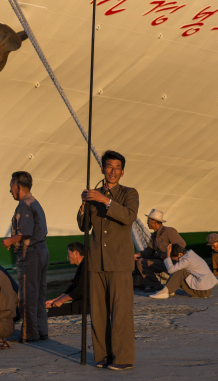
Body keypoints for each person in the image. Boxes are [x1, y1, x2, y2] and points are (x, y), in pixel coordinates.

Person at [77, 149, 139, 371]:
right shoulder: (93, 195)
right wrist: (84, 205)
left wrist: (105, 200)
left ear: (122, 172)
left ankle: (123, 357)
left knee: (121, 311)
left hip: (119, 263)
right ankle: (102, 355)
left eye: (117, 167)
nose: (113, 171)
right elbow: (84, 226)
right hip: (96, 261)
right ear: (102, 168)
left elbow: (128, 217)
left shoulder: (129, 193)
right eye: (109, 166)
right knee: (99, 313)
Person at [2, 171, 49, 343]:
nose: (10, 190)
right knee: (39, 294)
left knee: (27, 296)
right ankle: (41, 330)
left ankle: (30, 334)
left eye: (11, 186)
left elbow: (26, 232)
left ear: (18, 187)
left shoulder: (24, 205)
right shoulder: (35, 202)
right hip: (42, 250)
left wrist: (9, 241)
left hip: (31, 253)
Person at [134, 209, 186, 291]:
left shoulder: (169, 231)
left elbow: (181, 244)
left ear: (154, 222)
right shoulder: (154, 235)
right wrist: (137, 255)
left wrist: (167, 254)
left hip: (171, 262)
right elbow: (149, 251)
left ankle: (156, 285)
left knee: (141, 262)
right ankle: (140, 283)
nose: (147, 223)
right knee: (137, 257)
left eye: (148, 221)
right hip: (160, 261)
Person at [149, 243, 218, 299]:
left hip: (203, 292)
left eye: (175, 259)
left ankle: (165, 292)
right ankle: (168, 289)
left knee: (181, 271)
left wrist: (168, 256)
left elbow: (170, 270)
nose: (176, 261)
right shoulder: (189, 255)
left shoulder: (187, 260)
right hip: (205, 289)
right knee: (179, 270)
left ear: (180, 254)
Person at [46, 242, 87, 316]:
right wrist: (55, 300)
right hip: (79, 303)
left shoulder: (85, 267)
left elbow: (79, 290)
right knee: (50, 311)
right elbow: (71, 288)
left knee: (50, 312)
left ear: (76, 253)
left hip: (84, 306)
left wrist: (61, 301)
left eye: (69, 253)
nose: (67, 257)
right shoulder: (82, 266)